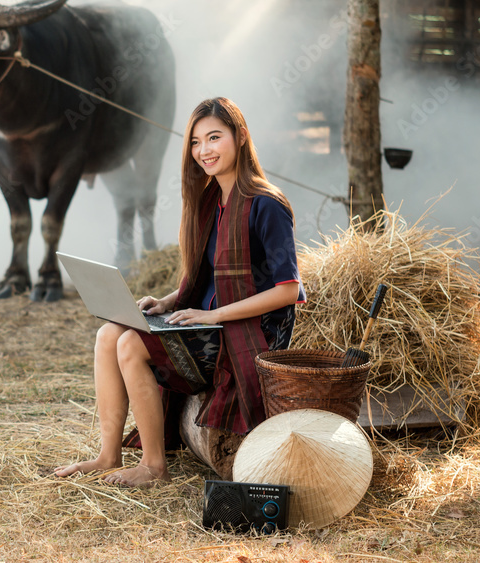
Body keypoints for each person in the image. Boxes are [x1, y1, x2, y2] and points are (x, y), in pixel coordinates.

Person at [54, 97, 305, 487]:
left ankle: (154, 467)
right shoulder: (210, 201)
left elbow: (288, 292)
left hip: (247, 336)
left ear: (240, 138)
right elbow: (209, 278)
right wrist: (170, 301)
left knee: (131, 346)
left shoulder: (266, 205)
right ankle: (108, 454)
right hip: (206, 326)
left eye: (214, 138)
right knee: (108, 334)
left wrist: (212, 315)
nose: (203, 150)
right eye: (195, 142)